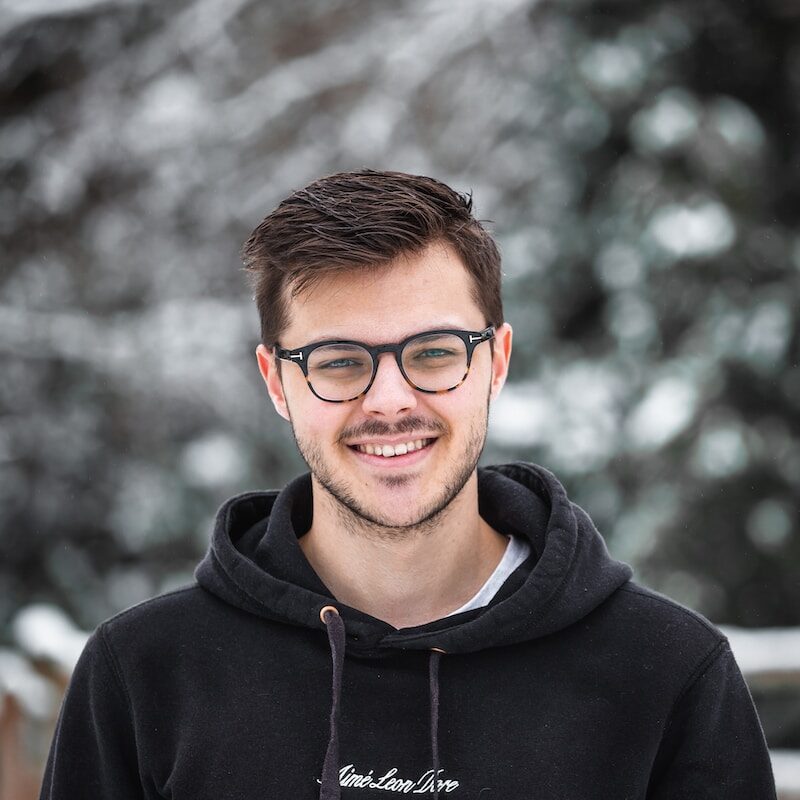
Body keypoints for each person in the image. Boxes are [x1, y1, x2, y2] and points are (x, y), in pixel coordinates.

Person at [40, 170, 776, 799]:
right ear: (275, 380)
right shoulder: (144, 675)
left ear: (497, 361)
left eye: (433, 352)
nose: (390, 401)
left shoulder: (668, 673)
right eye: (337, 361)